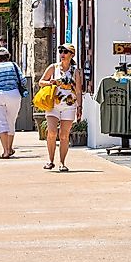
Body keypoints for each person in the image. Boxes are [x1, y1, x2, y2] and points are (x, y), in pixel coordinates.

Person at [39, 43, 84, 172]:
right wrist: (50, 82)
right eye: (61, 51)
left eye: (65, 52)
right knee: (52, 132)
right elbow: (41, 81)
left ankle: (62, 162)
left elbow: (79, 91)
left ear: (72, 55)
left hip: (69, 106)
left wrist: (79, 108)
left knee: (64, 135)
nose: (62, 54)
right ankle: (50, 160)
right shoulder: (53, 68)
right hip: (53, 104)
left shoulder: (75, 71)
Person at [0, 48, 28, 159]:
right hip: (13, 94)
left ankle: (5, 151)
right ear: (8, 56)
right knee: (11, 121)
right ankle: (10, 147)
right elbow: (23, 81)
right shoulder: (14, 66)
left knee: (1, 123)